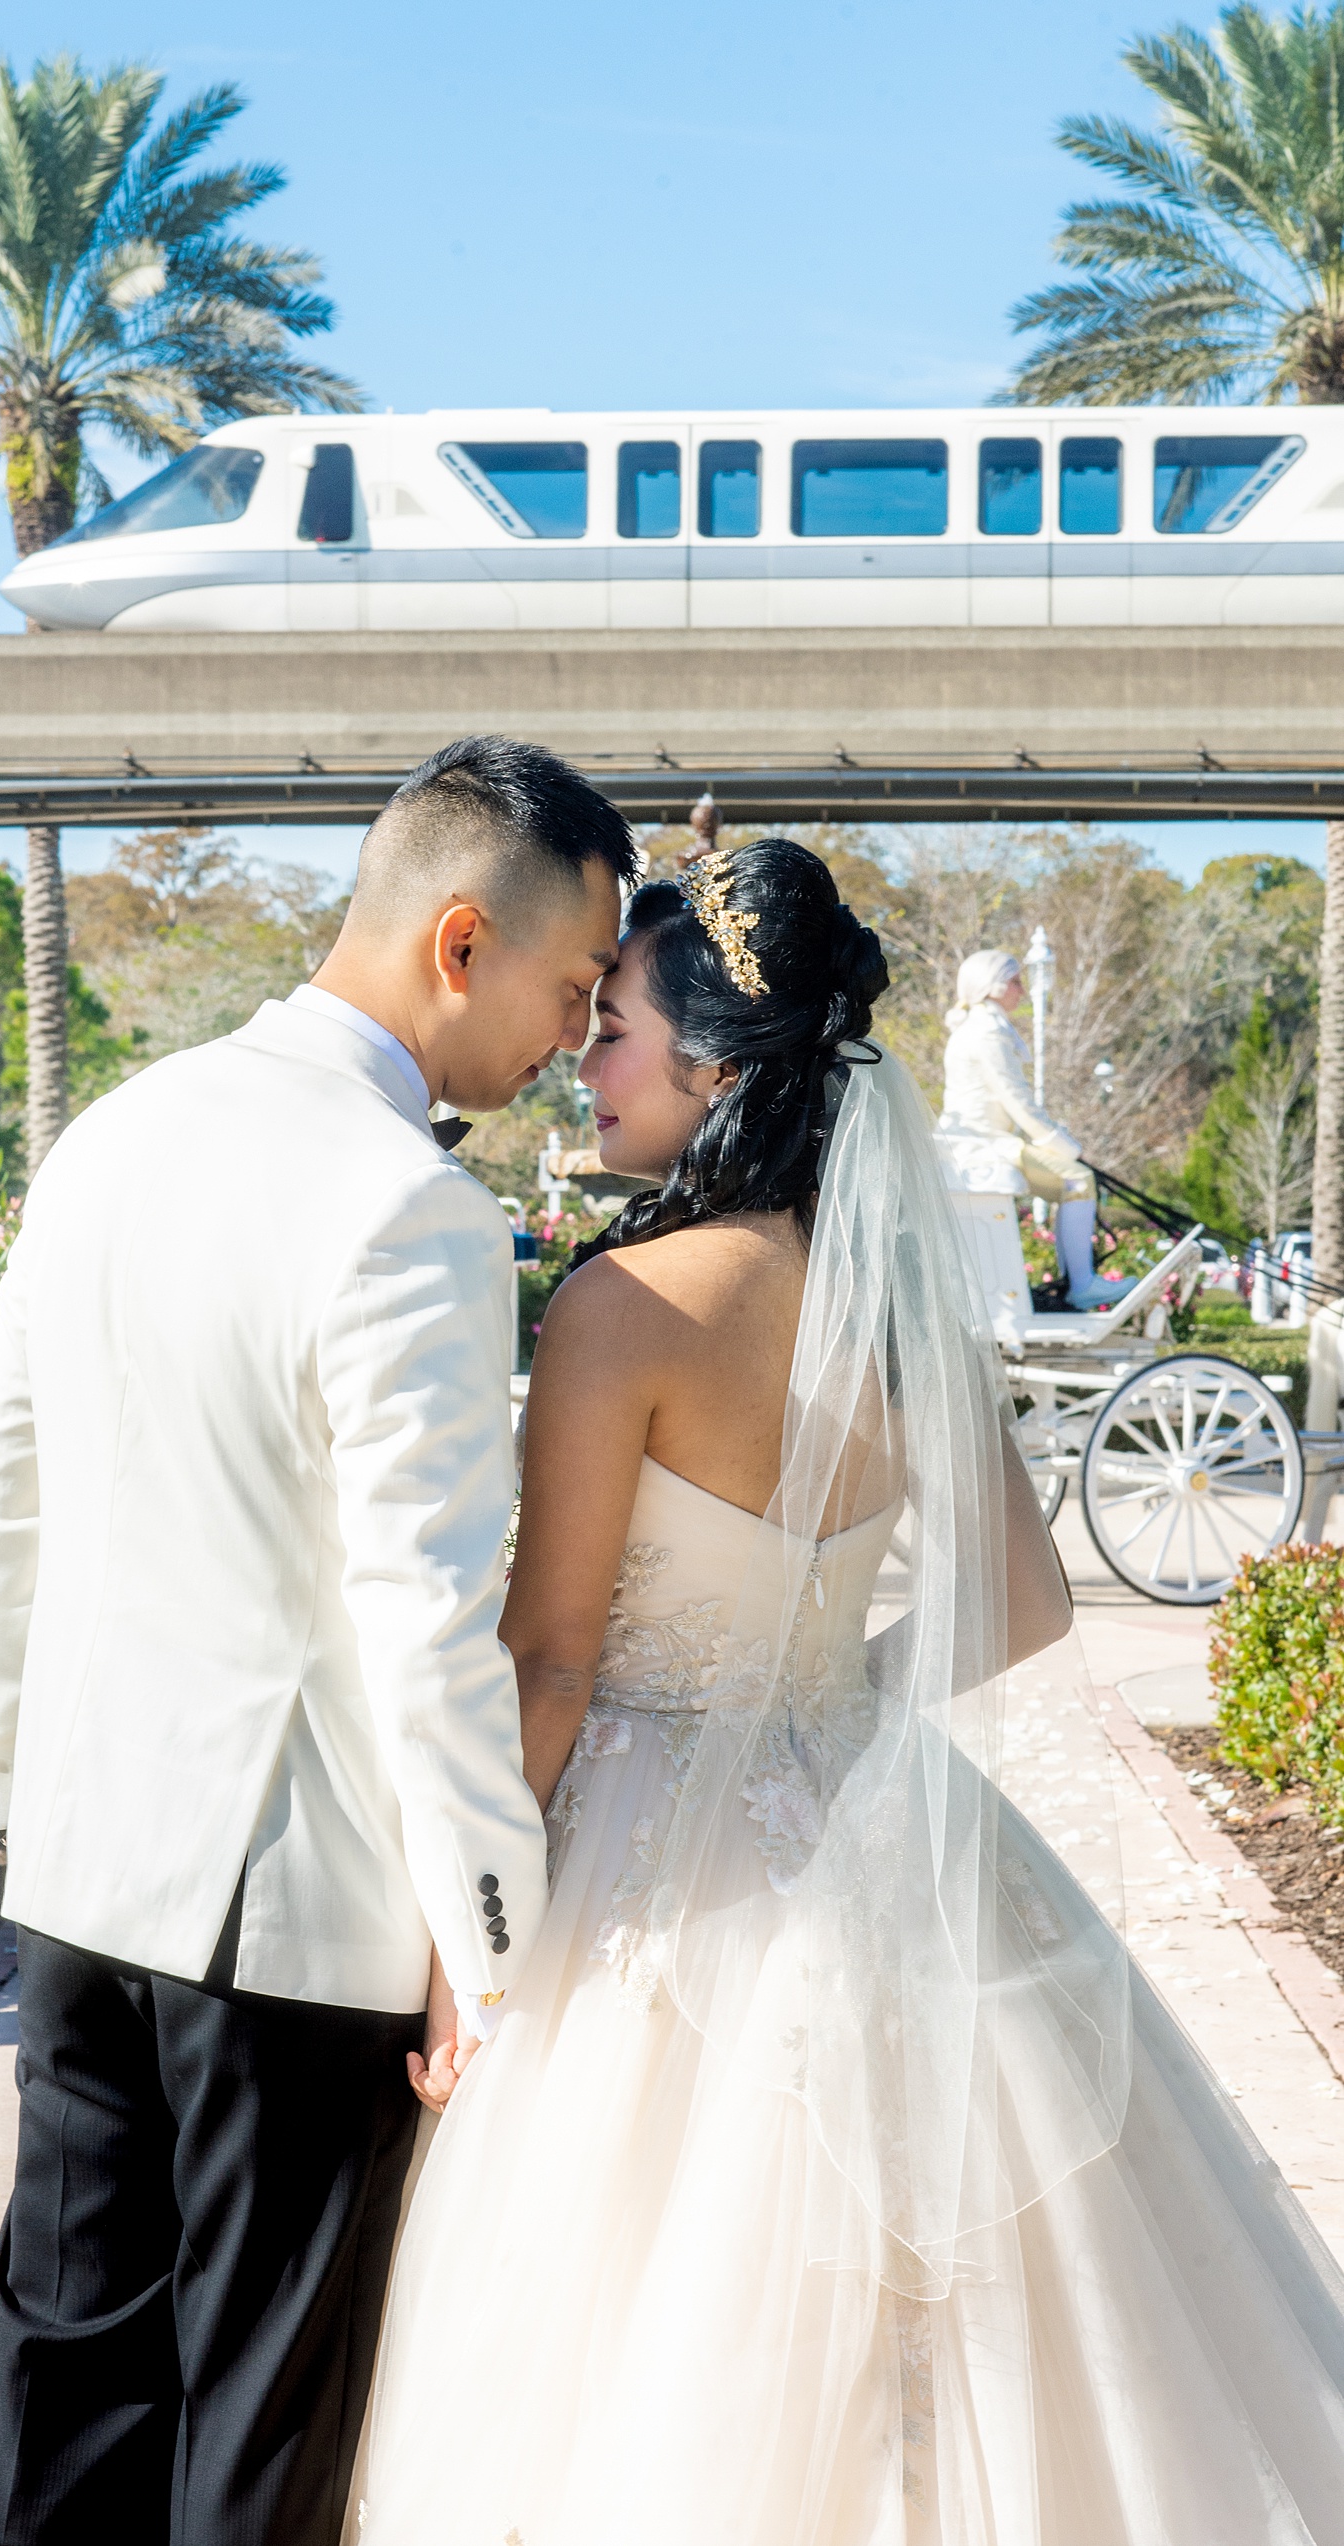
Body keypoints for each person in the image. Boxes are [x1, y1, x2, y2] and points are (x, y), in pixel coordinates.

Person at [349, 840, 1344, 2545]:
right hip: (867, 1824)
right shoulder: (889, 1301)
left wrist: (467, 1939)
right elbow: (1018, 1608)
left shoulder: (621, 1308)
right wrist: (818, 1699)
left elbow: (554, 1659)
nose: (583, 1059)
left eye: (616, 1031)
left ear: (715, 1064)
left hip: (653, 1863)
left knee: (630, 2342)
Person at [0, 735, 636, 2546]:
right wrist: (496, 1952)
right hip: (291, 1931)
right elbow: (426, 1622)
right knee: (263, 2433)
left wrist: (11, 1788)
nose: (576, 1032)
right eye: (572, 986)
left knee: (59, 2384)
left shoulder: (117, 1129)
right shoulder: (412, 1206)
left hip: (84, 1874)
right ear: (460, 944)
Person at [938, 947, 1132, 1310]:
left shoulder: (981, 1027)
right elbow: (1017, 1101)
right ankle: (1082, 1285)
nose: (1022, 991)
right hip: (984, 1144)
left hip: (986, 1141)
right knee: (1077, 1180)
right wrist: (1065, 1148)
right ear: (992, 986)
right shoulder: (987, 1032)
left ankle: (1077, 1281)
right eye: (1015, 982)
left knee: (1074, 1180)